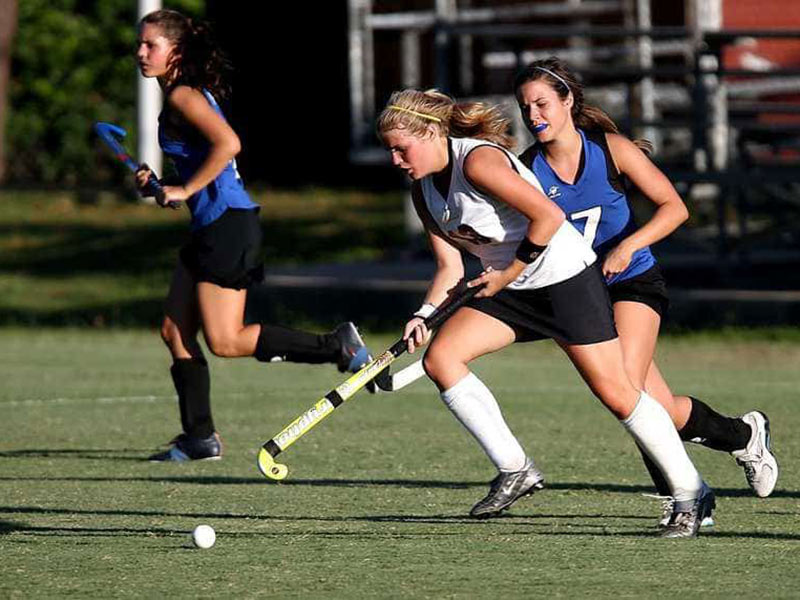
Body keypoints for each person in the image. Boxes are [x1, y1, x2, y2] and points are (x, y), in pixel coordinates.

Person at [378, 88, 714, 538]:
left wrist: (506, 272)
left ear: (433, 132)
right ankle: (515, 469)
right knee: (442, 359)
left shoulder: (478, 162)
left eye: (402, 148)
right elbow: (449, 267)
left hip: (564, 279)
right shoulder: (424, 192)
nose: (397, 160)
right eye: (391, 151)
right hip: (512, 286)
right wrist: (424, 313)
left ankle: (691, 492)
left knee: (617, 392)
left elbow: (549, 216)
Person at [512, 57, 778, 523]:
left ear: (568, 101)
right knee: (660, 408)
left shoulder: (611, 150)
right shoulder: (527, 169)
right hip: (581, 294)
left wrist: (627, 245)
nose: (534, 116)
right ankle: (742, 436)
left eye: (542, 103)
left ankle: (687, 498)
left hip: (634, 280)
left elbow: (674, 209)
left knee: (627, 389)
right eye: (525, 106)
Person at [134, 9, 373, 462]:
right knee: (174, 329)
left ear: (176, 51)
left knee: (225, 341)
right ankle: (199, 438)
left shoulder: (184, 94)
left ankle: (336, 346)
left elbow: (229, 145)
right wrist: (161, 184)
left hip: (228, 226)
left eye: (151, 45)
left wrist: (184, 188)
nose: (141, 53)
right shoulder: (180, 95)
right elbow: (202, 159)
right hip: (210, 224)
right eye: (140, 44)